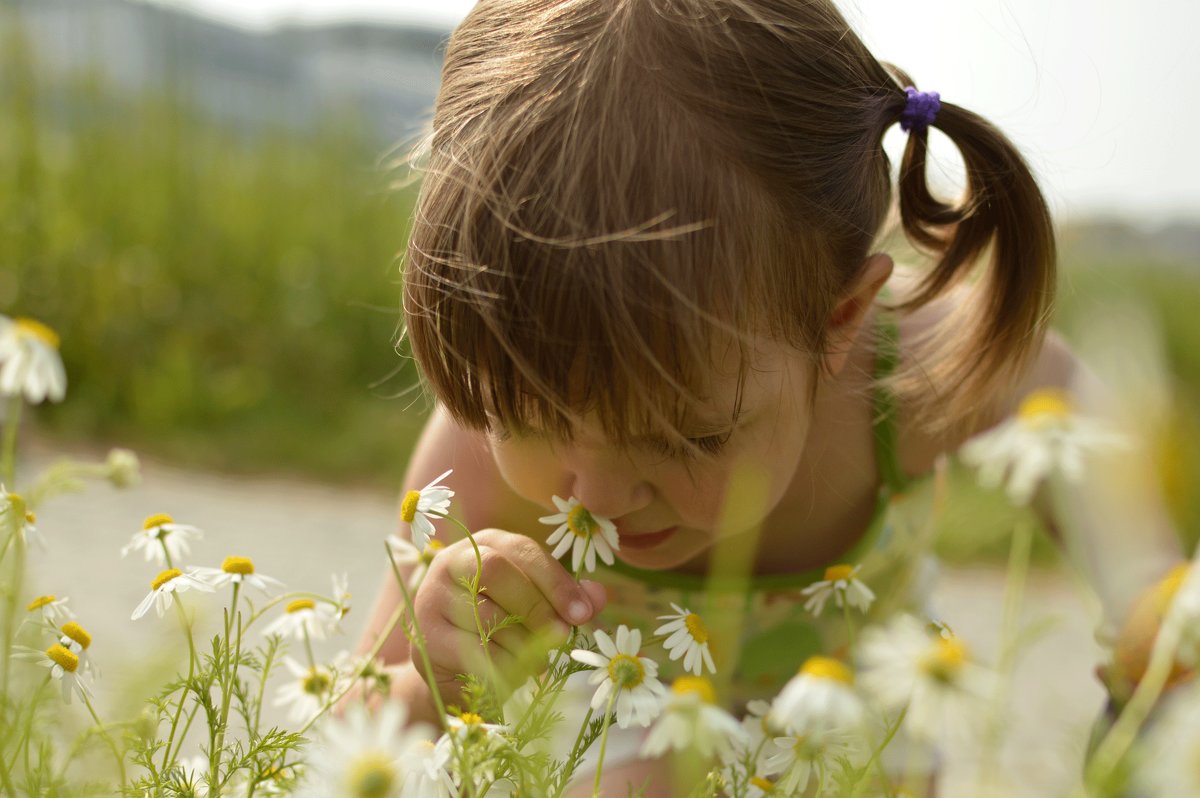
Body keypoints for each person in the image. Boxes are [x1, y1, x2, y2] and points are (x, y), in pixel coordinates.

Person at [358, 0, 1183, 793]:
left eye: (688, 438)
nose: (599, 497)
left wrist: (1153, 607)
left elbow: (1057, 394)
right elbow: (356, 731)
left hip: (855, 713)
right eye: (528, 416)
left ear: (843, 320)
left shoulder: (902, 378)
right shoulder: (485, 424)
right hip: (616, 718)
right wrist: (432, 682)